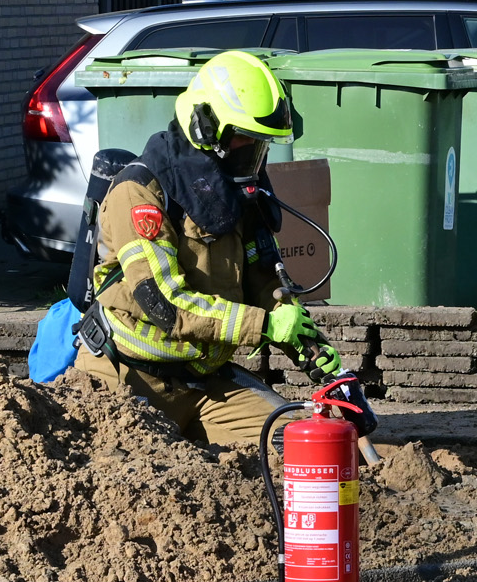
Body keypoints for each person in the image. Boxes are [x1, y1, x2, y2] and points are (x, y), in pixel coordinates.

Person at [74, 50, 343, 445]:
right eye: (244, 140)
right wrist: (264, 326)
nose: (252, 154)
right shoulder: (140, 192)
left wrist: (310, 348)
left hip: (204, 380)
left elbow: (264, 282)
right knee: (135, 477)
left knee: (300, 444)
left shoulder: (232, 192)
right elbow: (166, 303)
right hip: (127, 378)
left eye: (261, 145)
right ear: (205, 128)